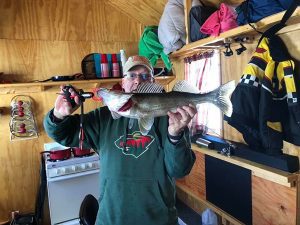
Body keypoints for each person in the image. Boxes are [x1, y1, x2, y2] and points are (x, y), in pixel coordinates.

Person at [44, 55, 197, 225]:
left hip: (158, 219)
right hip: (111, 219)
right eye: (132, 75)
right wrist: (59, 114)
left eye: (145, 76)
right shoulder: (102, 118)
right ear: (123, 82)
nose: (138, 81)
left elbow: (180, 170)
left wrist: (176, 134)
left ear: (154, 83)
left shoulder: (172, 118)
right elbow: (63, 133)